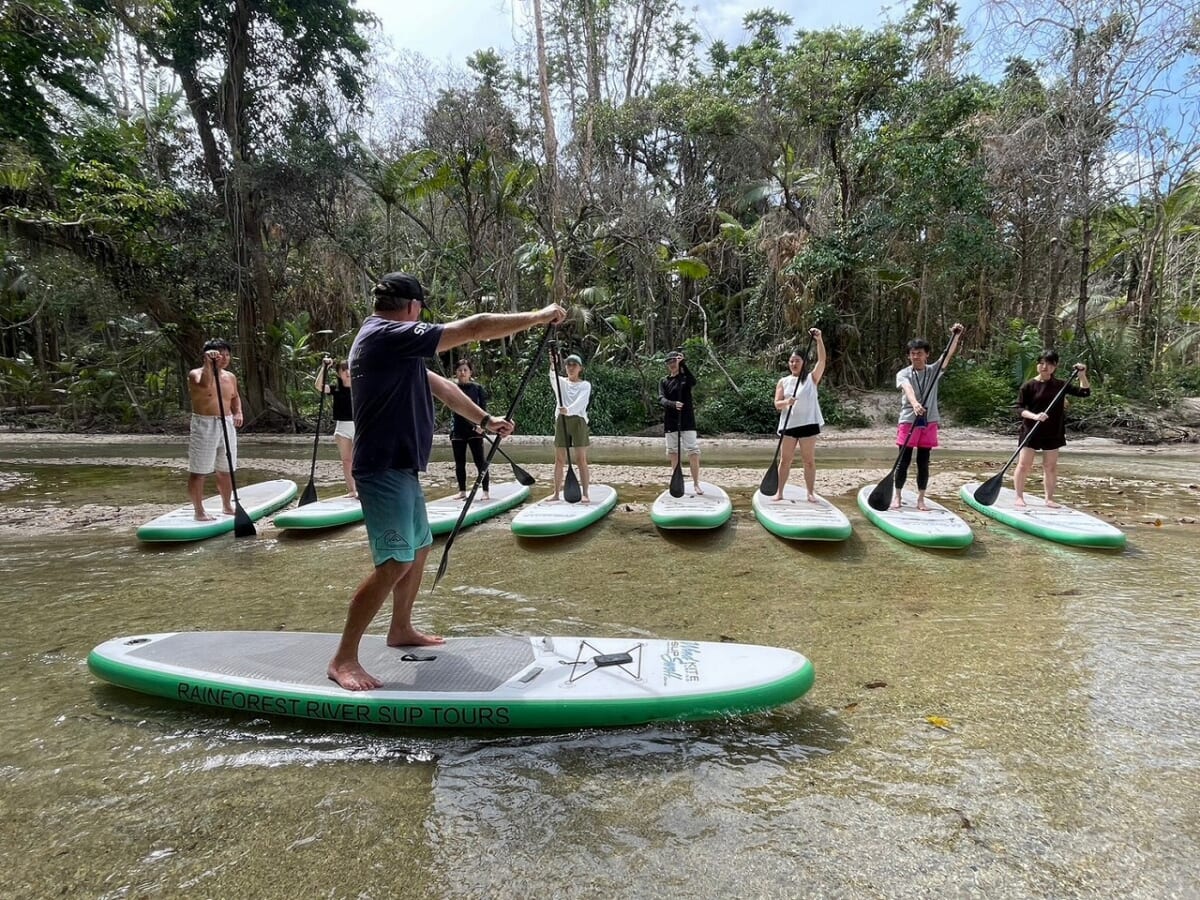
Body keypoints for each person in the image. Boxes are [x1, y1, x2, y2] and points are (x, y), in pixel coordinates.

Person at [328, 272, 566, 691]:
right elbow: (472, 327)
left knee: (418, 550)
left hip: (400, 467)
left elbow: (438, 387)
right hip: (382, 468)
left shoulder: (388, 342)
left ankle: (400, 627)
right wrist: (537, 316)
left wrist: (484, 419)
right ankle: (343, 658)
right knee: (395, 562)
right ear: (414, 308)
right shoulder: (386, 335)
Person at [892, 323, 964, 511]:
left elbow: (947, 355)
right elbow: (907, 388)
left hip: (929, 421)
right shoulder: (903, 373)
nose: (916, 356)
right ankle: (897, 496)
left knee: (923, 462)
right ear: (909, 355)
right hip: (909, 420)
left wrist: (955, 336)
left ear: (926, 355)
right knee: (903, 461)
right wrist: (915, 403)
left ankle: (921, 499)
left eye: (920, 353)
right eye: (913, 353)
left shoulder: (933, 371)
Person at [1013, 351, 1091, 508]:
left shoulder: (1060, 385)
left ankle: (1049, 499)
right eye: (1042, 363)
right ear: (1037, 365)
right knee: (1024, 465)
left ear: (1055, 367)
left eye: (1049, 364)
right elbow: (1018, 408)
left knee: (1050, 466)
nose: (1045, 367)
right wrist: (1034, 416)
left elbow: (1085, 392)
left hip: (1053, 431)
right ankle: (1019, 497)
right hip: (1031, 430)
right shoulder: (1028, 386)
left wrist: (1082, 374)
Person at [186, 339, 243, 521]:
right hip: (205, 424)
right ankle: (199, 511)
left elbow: (235, 397)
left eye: (227, 354)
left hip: (226, 423)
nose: (224, 358)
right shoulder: (196, 374)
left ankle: (227, 505)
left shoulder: (230, 377)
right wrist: (209, 365)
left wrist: (238, 412)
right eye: (220, 354)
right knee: (199, 470)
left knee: (226, 469)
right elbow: (204, 385)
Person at [771, 328, 827, 502]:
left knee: (808, 461)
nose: (793, 364)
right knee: (785, 460)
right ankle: (779, 492)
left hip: (808, 425)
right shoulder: (783, 381)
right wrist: (787, 403)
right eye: (791, 361)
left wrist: (819, 340)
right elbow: (777, 404)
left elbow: (822, 360)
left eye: (797, 361)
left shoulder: (811, 378)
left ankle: (810, 493)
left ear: (803, 362)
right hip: (789, 426)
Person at [549, 348, 592, 503]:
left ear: (580, 368)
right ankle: (556, 493)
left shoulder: (585, 385)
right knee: (559, 459)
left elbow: (582, 401)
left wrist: (568, 410)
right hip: (561, 420)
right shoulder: (560, 382)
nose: (571, 367)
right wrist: (552, 363)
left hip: (578, 420)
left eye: (574, 365)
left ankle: (585, 493)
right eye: (568, 365)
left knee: (581, 459)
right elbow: (552, 376)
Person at [659, 349, 703, 494]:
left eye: (674, 361)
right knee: (672, 452)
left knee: (693, 451)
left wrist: (683, 364)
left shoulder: (685, 378)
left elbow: (693, 381)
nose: (672, 364)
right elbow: (661, 399)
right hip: (671, 421)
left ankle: (696, 483)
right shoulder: (664, 381)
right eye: (669, 362)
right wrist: (673, 404)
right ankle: (677, 481)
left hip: (687, 420)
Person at [449, 358, 490, 500]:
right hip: (458, 430)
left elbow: (483, 409)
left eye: (465, 370)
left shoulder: (477, 388)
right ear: (456, 372)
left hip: (475, 430)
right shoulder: (452, 388)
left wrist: (482, 426)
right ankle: (462, 491)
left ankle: (485, 491)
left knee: (480, 462)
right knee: (459, 463)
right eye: (460, 370)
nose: (462, 372)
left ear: (470, 372)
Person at [317, 357, 356, 498]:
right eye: (343, 369)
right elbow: (319, 386)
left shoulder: (360, 387)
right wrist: (324, 368)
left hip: (359, 426)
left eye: (348, 368)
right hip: (342, 428)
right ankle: (352, 490)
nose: (347, 372)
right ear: (339, 373)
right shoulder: (336, 389)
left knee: (361, 459)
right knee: (347, 460)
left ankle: (365, 489)